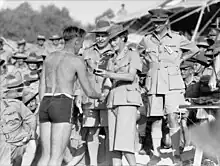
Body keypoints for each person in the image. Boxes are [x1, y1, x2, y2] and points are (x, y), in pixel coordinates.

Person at [138, 9, 199, 166]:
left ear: (166, 22)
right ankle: (156, 154)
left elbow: (194, 49)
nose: (156, 26)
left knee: (173, 118)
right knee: (156, 119)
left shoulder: (178, 38)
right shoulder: (147, 39)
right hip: (154, 83)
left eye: (159, 23)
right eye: (154, 23)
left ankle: (177, 154)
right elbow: (137, 53)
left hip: (173, 84)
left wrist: (180, 60)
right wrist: (148, 63)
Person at [37, 25, 104, 166]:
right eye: (82, 42)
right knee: (56, 157)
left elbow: (42, 85)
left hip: (46, 102)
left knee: (45, 156)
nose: (82, 47)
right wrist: (100, 95)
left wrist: (43, 105)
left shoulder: (49, 57)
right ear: (76, 41)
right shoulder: (76, 60)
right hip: (62, 103)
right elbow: (89, 91)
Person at [95, 24, 143, 166]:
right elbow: (109, 82)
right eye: (111, 41)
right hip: (113, 101)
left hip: (127, 101)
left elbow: (131, 76)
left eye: (115, 39)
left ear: (123, 38)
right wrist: (103, 93)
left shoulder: (132, 54)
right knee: (113, 143)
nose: (112, 43)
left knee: (125, 142)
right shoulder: (111, 58)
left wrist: (109, 74)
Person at [79, 19, 112, 166]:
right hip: (90, 97)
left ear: (109, 36)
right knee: (92, 131)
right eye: (98, 35)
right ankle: (93, 162)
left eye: (104, 35)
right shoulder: (87, 52)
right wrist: (78, 94)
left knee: (109, 129)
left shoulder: (115, 52)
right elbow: (79, 75)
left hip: (108, 96)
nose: (100, 38)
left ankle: (108, 162)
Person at [0, 72, 37, 166]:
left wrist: (31, 134)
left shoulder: (17, 104)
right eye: (18, 90)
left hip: (18, 142)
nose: (20, 93)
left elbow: (30, 118)